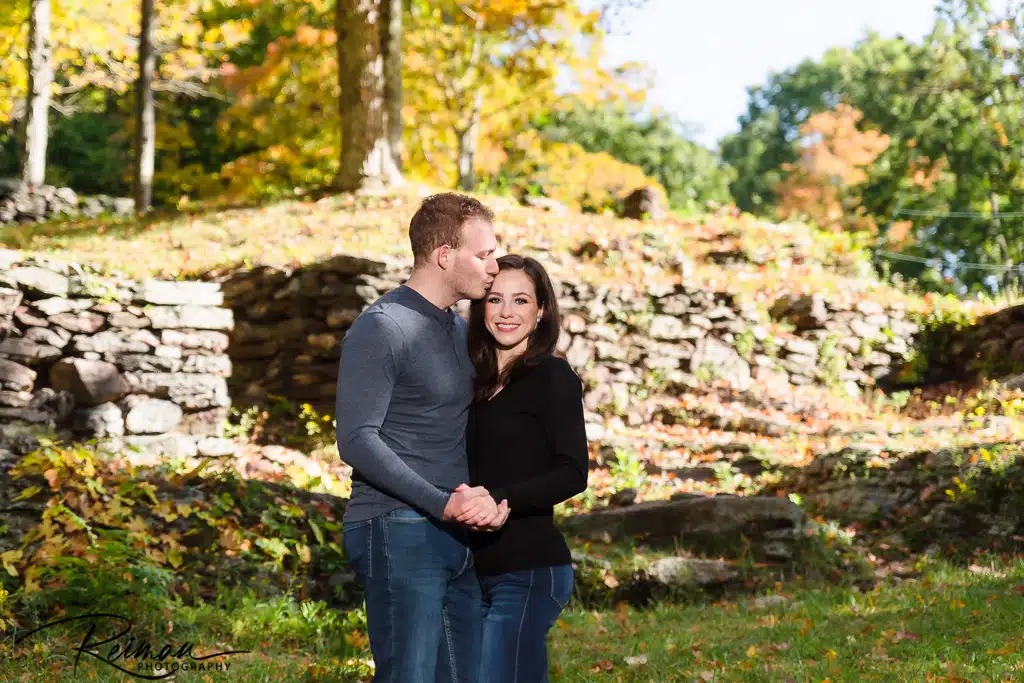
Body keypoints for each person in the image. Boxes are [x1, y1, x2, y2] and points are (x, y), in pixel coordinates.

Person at [337, 193, 512, 683]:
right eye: (484, 254)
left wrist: (491, 502)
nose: (494, 266)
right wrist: (439, 503)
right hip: (396, 528)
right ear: (443, 255)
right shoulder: (383, 326)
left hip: (458, 533)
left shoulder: (459, 332)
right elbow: (356, 439)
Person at [465, 254, 590, 683]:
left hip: (529, 569)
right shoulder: (470, 380)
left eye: (520, 300)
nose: (505, 312)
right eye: (495, 299)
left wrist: (504, 501)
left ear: (540, 311)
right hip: (467, 571)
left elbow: (574, 471)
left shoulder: (552, 376)